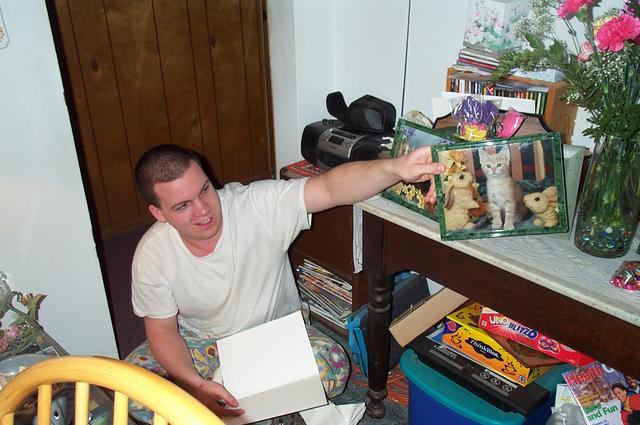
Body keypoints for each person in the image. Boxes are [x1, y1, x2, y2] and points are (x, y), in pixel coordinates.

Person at [124, 143, 444, 421]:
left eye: (205, 190)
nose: (203, 210)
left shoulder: (255, 205)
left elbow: (330, 188)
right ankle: (250, 405)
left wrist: (395, 168)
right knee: (131, 387)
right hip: (201, 342)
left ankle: (226, 408)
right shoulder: (152, 254)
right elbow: (162, 331)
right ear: (159, 213)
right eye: (182, 206)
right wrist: (194, 384)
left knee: (331, 366)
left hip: (272, 335)